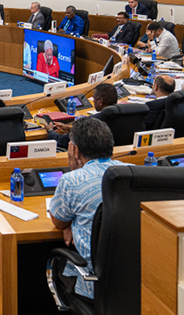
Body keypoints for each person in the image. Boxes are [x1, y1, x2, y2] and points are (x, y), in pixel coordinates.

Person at [48, 117, 131, 301]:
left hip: (94, 284)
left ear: (74, 149)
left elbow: (58, 221)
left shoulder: (73, 180)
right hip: (135, 281)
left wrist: (70, 224)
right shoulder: (134, 173)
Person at [43, 83, 117, 149]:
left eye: (94, 98)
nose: (93, 100)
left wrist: (50, 131)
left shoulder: (93, 122)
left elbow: (63, 141)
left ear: (101, 101)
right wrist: (69, 129)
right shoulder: (122, 114)